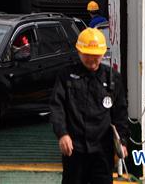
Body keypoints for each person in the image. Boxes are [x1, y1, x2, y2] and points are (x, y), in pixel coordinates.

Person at [50, 28, 128, 184]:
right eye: (88, 56)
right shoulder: (66, 76)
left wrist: (122, 142)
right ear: (79, 52)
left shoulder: (113, 79)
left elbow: (120, 114)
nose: (92, 60)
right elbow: (57, 107)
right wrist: (62, 134)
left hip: (102, 151)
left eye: (96, 56)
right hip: (75, 149)